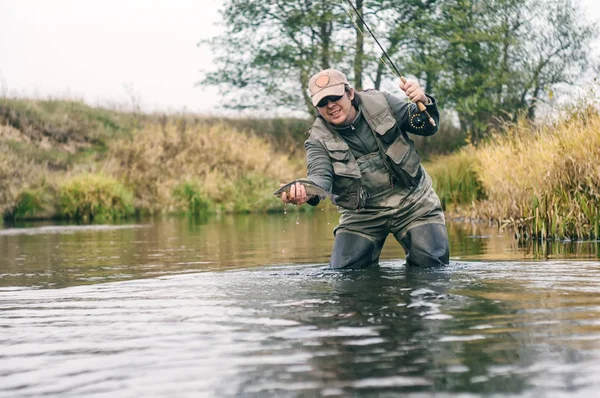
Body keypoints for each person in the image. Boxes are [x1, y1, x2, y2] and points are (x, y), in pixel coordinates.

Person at [280, 68, 449, 269]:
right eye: (322, 102)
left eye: (335, 97)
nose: (330, 105)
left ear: (350, 93)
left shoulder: (382, 102)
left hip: (414, 202)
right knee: (345, 277)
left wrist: (424, 101)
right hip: (362, 214)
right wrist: (306, 192)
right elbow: (320, 178)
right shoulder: (317, 140)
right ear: (317, 108)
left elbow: (426, 126)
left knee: (431, 269)